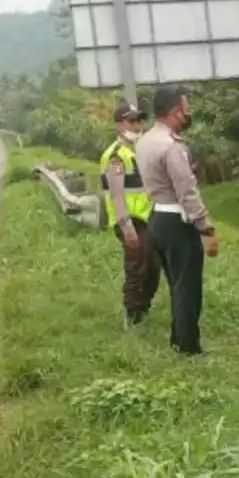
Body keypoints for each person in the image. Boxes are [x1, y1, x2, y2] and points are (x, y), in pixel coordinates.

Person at [135, 85, 219, 355]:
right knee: (187, 288)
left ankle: (177, 338)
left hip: (156, 218)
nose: (188, 114)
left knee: (176, 284)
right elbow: (187, 191)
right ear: (174, 112)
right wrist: (206, 228)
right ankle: (188, 347)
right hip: (177, 222)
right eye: (185, 109)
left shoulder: (145, 141)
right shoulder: (172, 147)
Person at [100, 101, 161, 327]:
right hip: (129, 219)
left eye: (138, 120)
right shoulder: (116, 155)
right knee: (138, 266)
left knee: (154, 266)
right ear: (119, 125)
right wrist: (127, 229)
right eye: (131, 121)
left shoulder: (139, 152)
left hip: (147, 217)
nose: (136, 126)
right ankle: (133, 315)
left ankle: (143, 309)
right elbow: (117, 195)